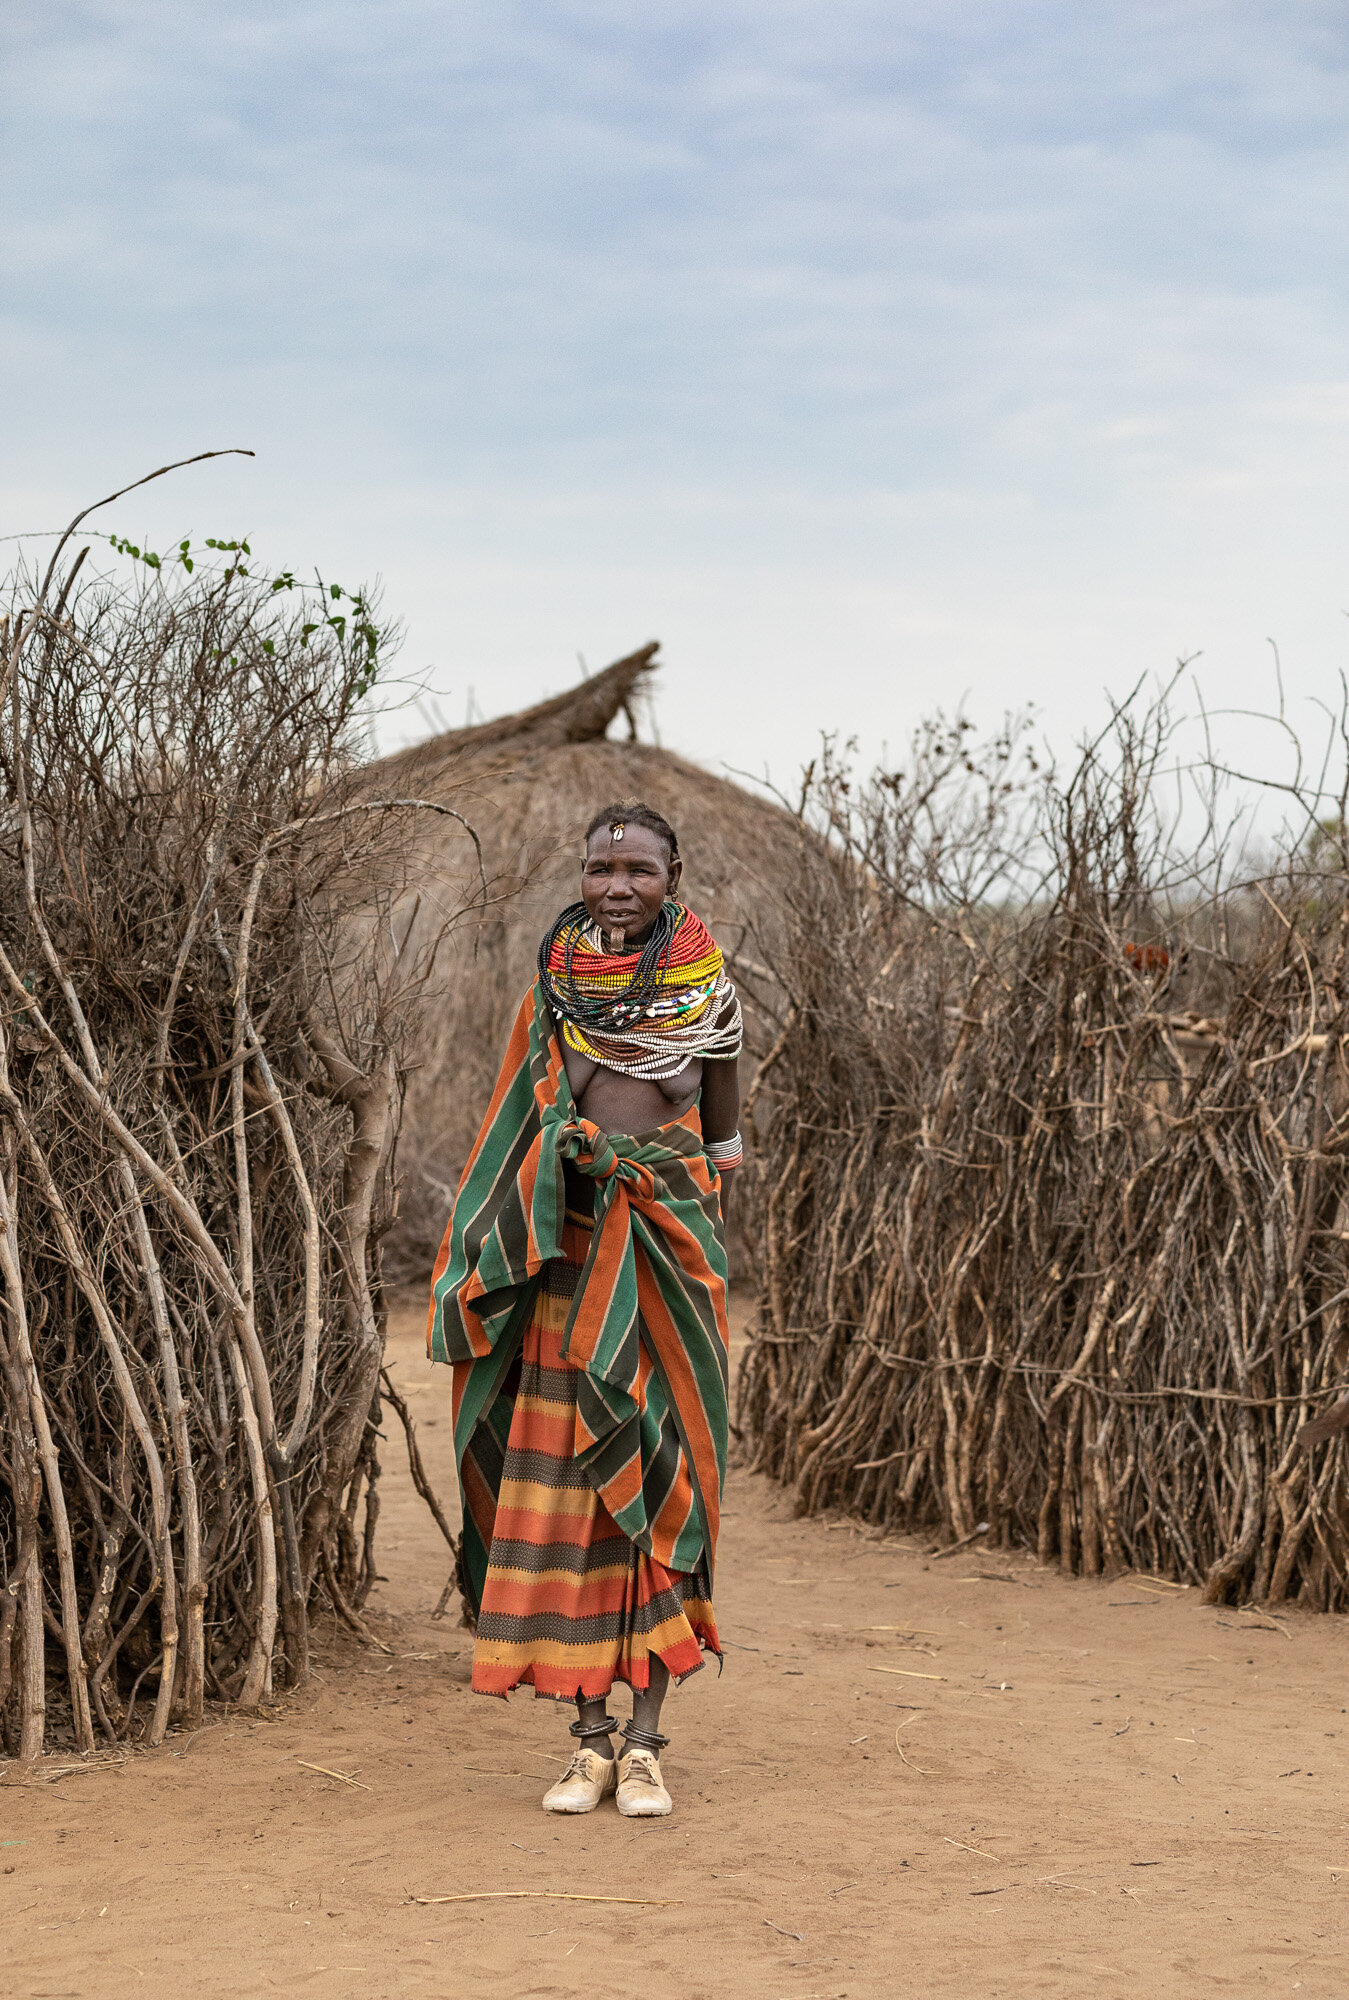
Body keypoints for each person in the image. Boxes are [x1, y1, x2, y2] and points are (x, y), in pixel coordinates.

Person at [426, 801, 742, 1818]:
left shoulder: (712, 998)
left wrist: (658, 1204)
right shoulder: (549, 997)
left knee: (662, 1477)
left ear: (672, 871)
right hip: (565, 1256)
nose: (615, 884)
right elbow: (513, 1128)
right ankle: (588, 1740)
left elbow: (716, 1156)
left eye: (637, 867)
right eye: (600, 865)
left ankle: (648, 1743)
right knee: (565, 1487)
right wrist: (553, 1191)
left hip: (660, 1253)